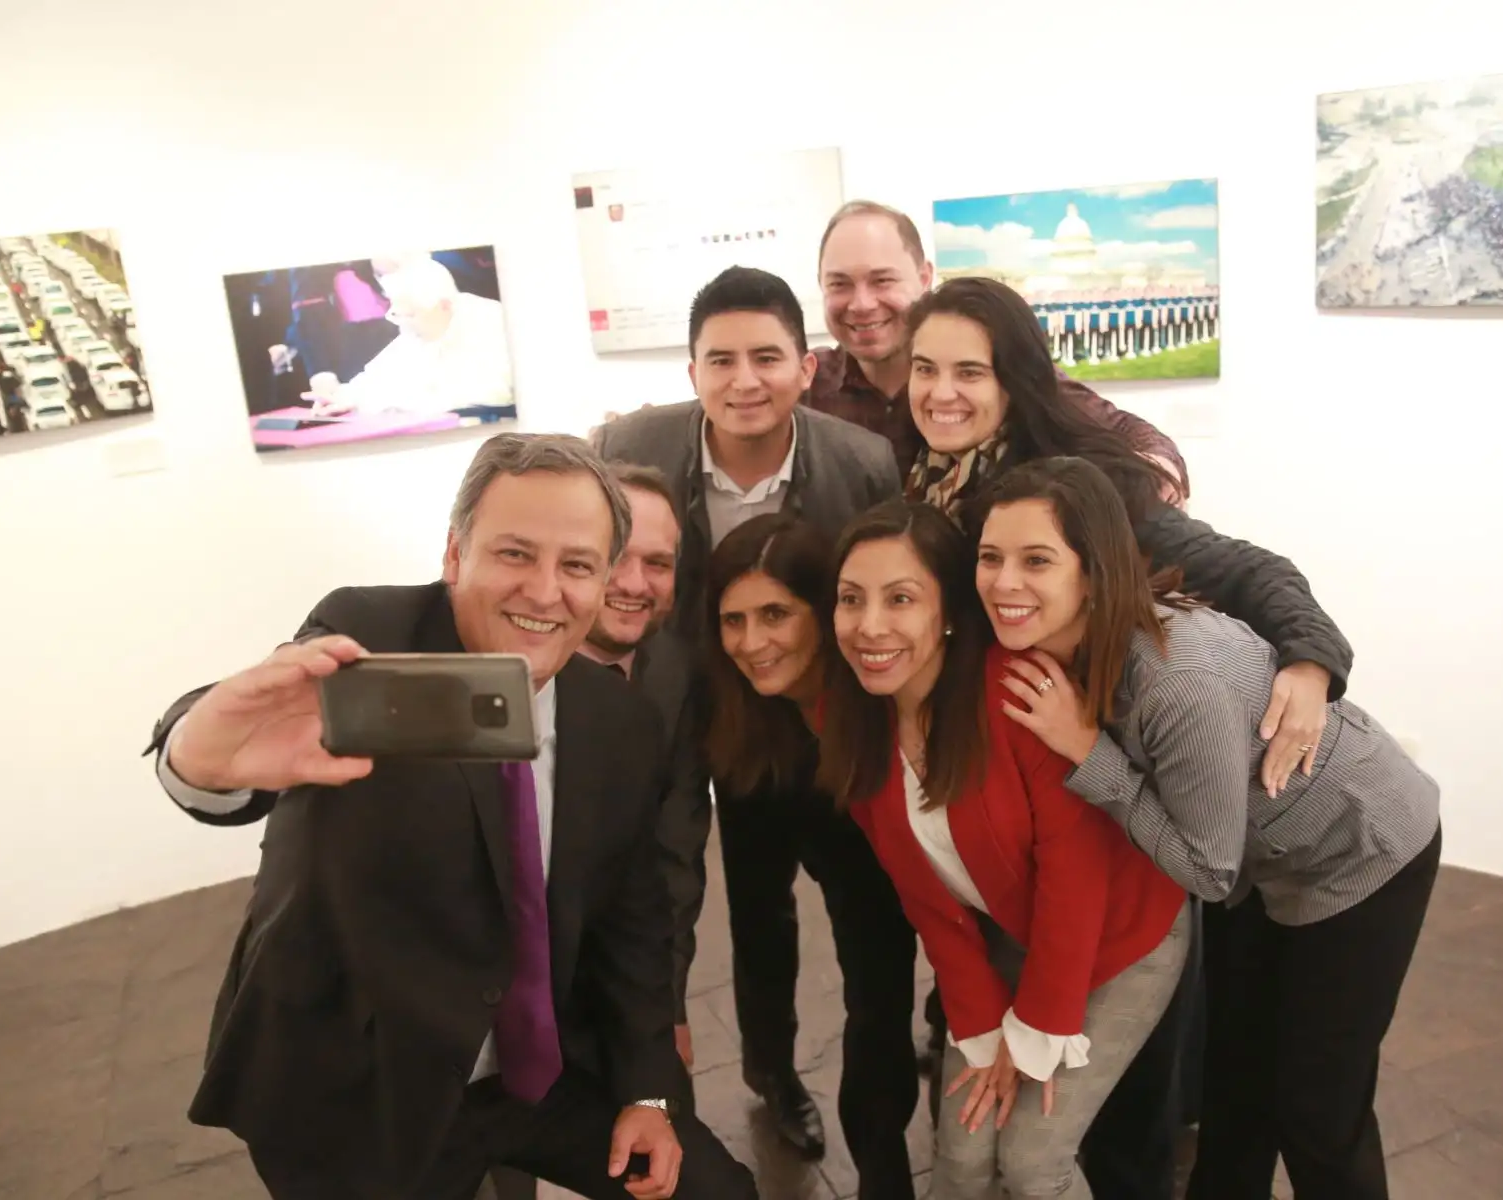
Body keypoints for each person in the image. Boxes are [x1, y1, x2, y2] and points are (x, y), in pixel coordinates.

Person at [142, 433, 757, 1200]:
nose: (544, 592)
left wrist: (647, 1093)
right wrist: (199, 757)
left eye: (576, 566)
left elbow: (635, 923)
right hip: (362, 1084)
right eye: (514, 555)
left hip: (538, 1067)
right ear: (454, 556)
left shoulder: (618, 722)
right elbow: (248, 737)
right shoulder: (371, 636)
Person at [905, 274, 1359, 1194]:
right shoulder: (922, 481)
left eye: (969, 371)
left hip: (1132, 813)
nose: (939, 391)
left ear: (1015, 379)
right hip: (1021, 816)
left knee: (1132, 1091)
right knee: (1015, 1077)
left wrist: (1309, 661)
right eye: (923, 369)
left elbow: (1245, 568)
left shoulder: (1095, 486)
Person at [971, 456, 1442, 1200]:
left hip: (1362, 851)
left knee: (1318, 1107)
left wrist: (1090, 754)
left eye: (1037, 560)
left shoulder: (1171, 680)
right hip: (1268, 860)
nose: (1004, 582)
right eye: (991, 558)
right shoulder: (1068, 648)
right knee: (1235, 1079)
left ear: (1093, 574)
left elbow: (1207, 869)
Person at [594, 268, 920, 1196]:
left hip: (830, 724)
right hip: (716, 719)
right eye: (721, 359)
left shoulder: (858, 459)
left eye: (767, 357)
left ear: (807, 367)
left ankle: (882, 1135)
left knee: (871, 918)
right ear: (690, 370)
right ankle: (771, 1077)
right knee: (753, 910)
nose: (746, 379)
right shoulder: (630, 446)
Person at [819, 500, 1190, 1199]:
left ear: (951, 613)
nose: (869, 626)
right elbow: (927, 903)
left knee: (1030, 1162)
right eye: (850, 600)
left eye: (900, 599)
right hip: (1019, 938)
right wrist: (984, 1026)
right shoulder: (857, 722)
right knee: (959, 1159)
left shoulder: (1016, 693)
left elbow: (1076, 881)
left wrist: (1034, 1032)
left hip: (1124, 938)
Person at [487, 462, 711, 1200]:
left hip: (605, 1007)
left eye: (659, 562)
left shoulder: (664, 683)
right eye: (612, 558)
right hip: (456, 1037)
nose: (634, 582)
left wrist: (665, 1012)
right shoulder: (455, 671)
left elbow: (668, 866)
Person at [698, 512, 922, 1198]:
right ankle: (771, 1073)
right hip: (766, 774)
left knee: (878, 983)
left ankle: (882, 1171)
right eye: (733, 621)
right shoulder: (739, 711)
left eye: (775, 614)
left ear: (824, 614)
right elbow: (755, 916)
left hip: (850, 797)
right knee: (758, 923)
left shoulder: (873, 701)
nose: (752, 641)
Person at [808, 199, 1188, 502]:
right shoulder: (806, 387)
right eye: (839, 284)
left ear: (925, 277)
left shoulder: (1003, 370)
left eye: (882, 280)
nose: (861, 304)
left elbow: (1126, 433)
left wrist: (1152, 489)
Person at [309, 256, 514, 420]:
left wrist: (396, 401)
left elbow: (493, 393)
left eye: (411, 315)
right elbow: (372, 379)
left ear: (445, 305)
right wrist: (340, 398)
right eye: (397, 315)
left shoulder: (491, 320)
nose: (403, 324)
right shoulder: (413, 333)